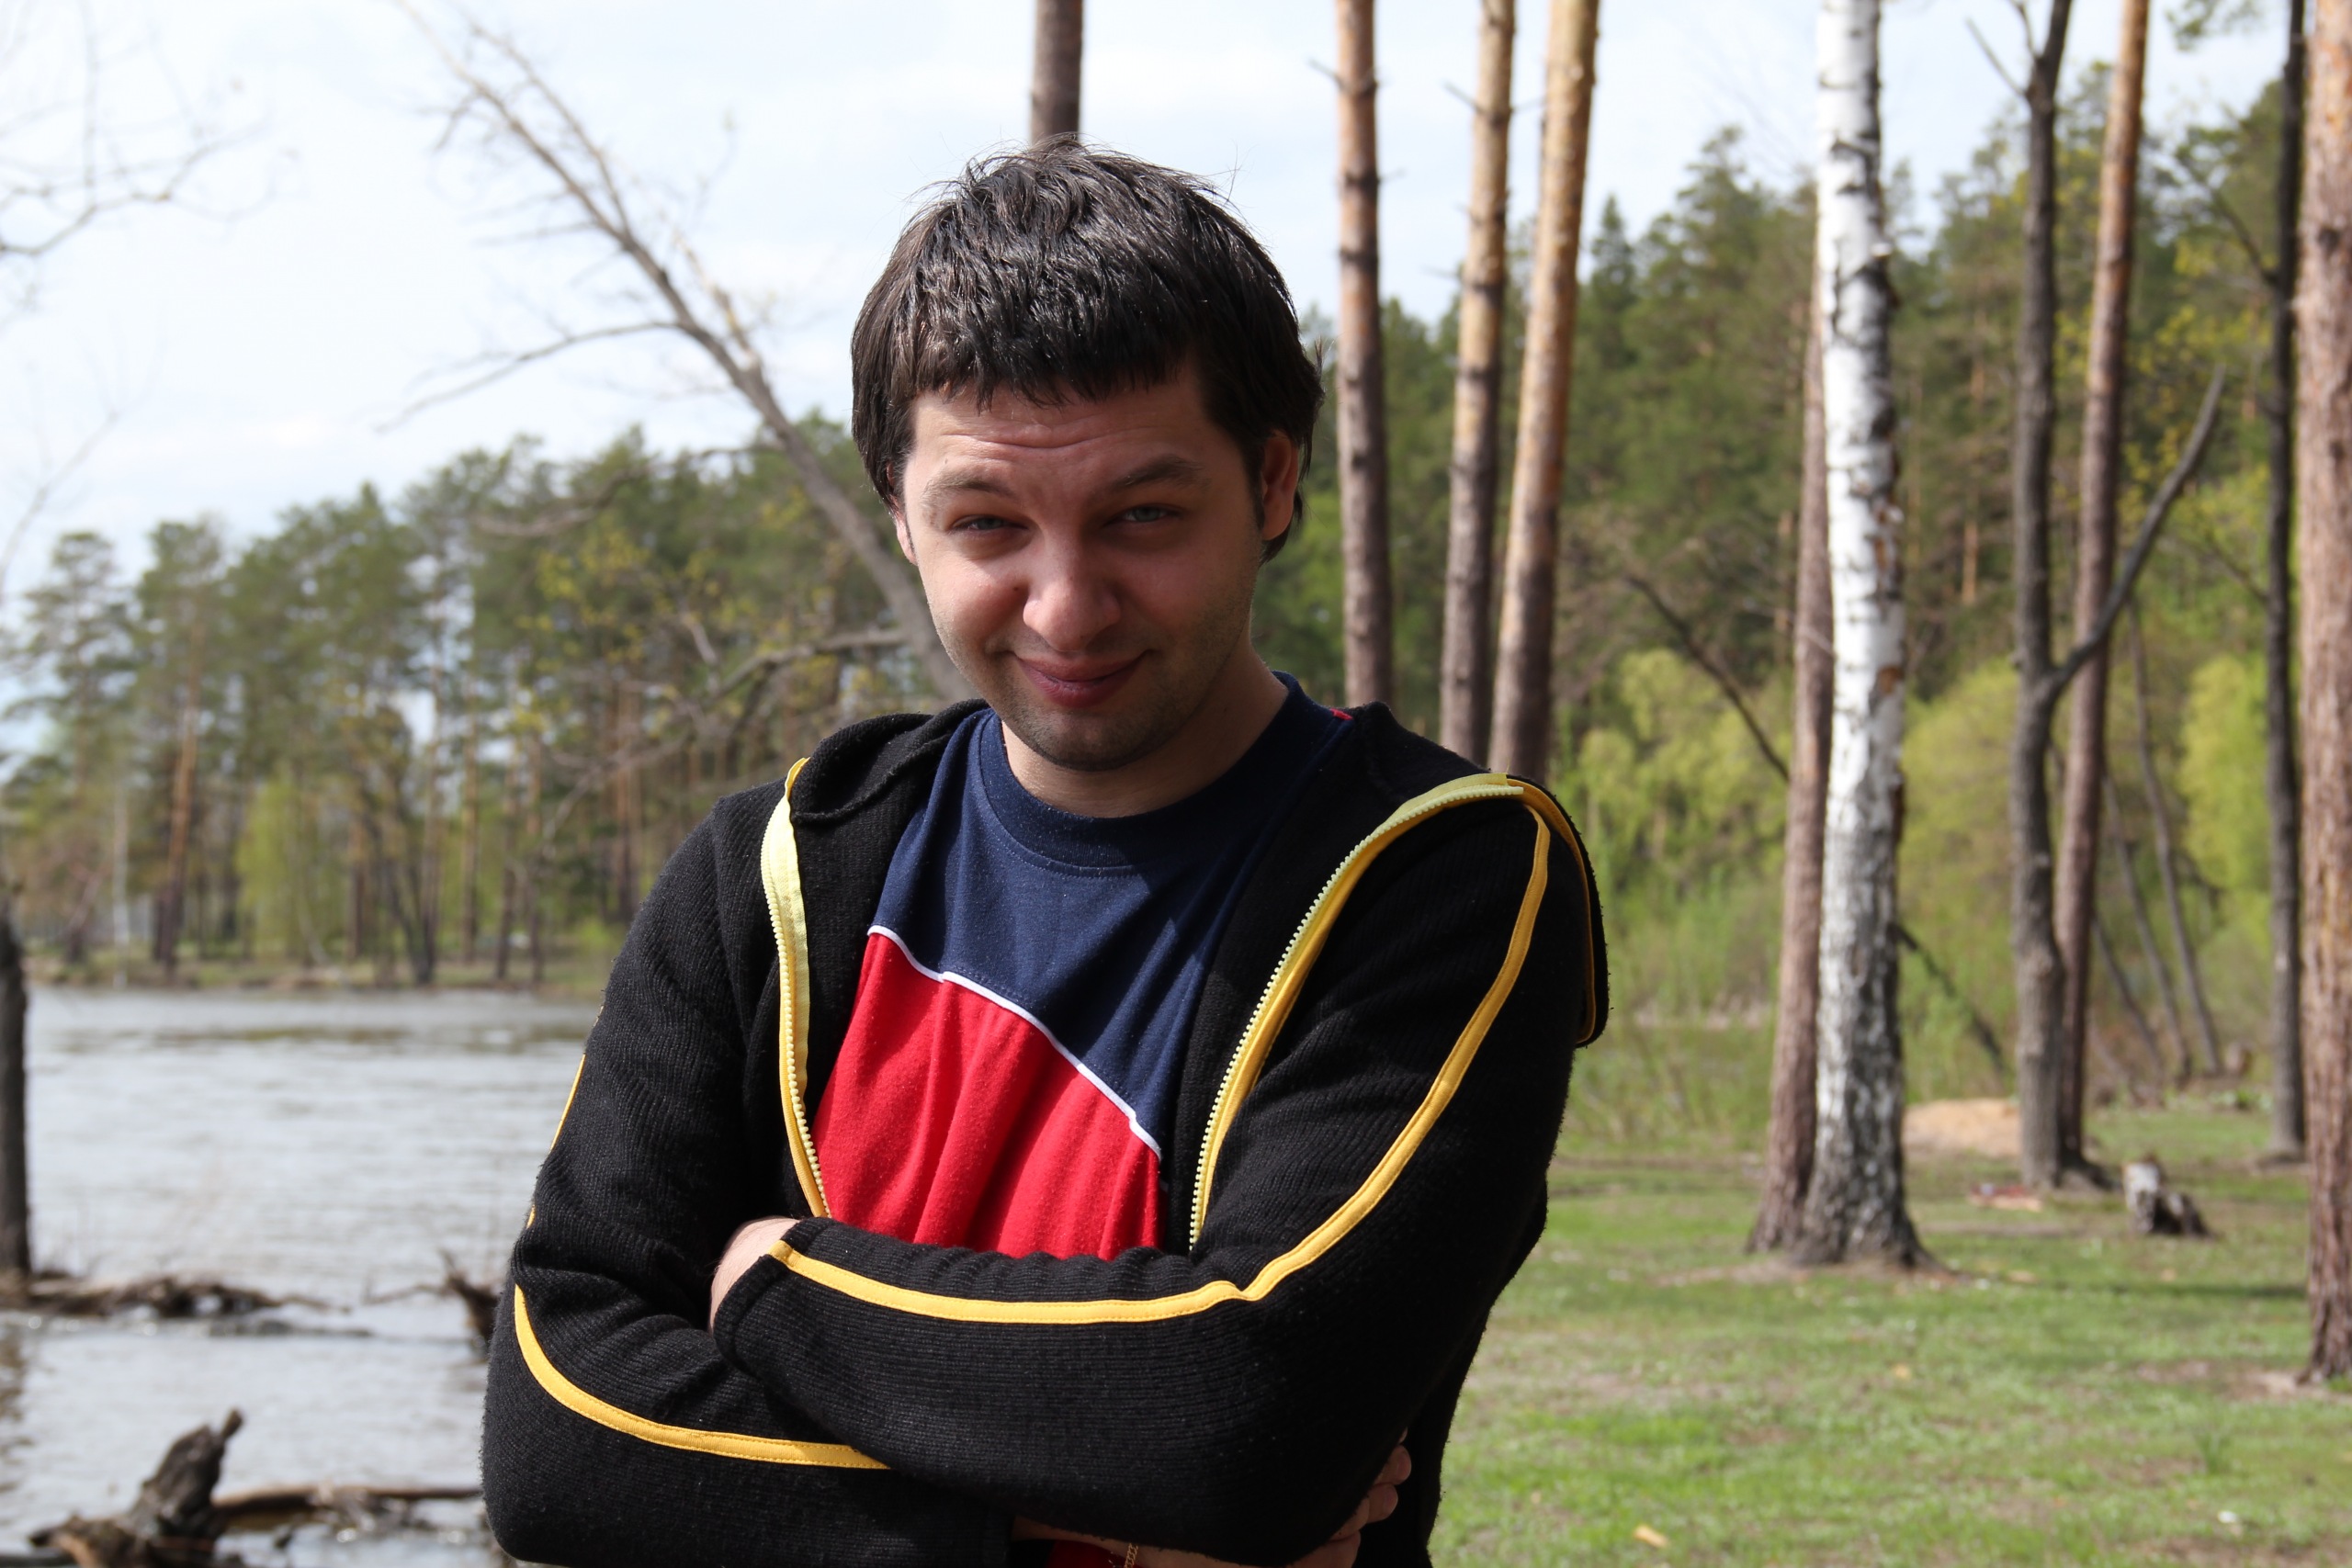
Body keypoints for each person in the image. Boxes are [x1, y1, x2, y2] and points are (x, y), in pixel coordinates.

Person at [481, 141, 1606, 1568]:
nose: (1066, 608)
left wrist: (771, 1283)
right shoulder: (774, 874)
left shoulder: (1439, 875)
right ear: (902, 515)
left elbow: (1249, 1412)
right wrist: (1034, 1517)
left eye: (1142, 517)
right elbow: (555, 1439)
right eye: (989, 525)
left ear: (1272, 485)